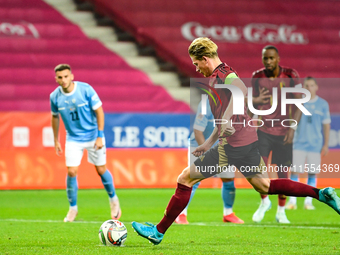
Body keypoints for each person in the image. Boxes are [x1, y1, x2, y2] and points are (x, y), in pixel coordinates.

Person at [131, 37, 340, 245]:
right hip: (243, 142)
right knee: (264, 186)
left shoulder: (224, 75)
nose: (196, 69)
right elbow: (230, 113)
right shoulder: (219, 74)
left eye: (196, 64)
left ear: (205, 59)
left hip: (233, 146)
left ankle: (158, 231)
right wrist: (208, 142)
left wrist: (227, 121)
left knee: (185, 179)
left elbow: (242, 91)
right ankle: (322, 194)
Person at [50, 64, 121, 222]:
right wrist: (56, 139)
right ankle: (73, 208)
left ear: (71, 76)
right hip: (73, 138)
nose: (63, 80)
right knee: (71, 172)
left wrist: (100, 135)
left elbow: (99, 111)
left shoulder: (85, 90)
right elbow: (55, 117)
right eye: (60, 77)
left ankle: (113, 199)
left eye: (66, 76)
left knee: (101, 169)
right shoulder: (54, 97)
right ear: (56, 79)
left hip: (93, 135)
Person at [250, 45, 302, 224]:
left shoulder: (290, 76)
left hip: (284, 132)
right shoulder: (257, 77)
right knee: (258, 170)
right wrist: (255, 102)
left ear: (278, 58)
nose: (268, 61)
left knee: (282, 173)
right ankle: (264, 202)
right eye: (265, 58)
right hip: (263, 131)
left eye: (272, 58)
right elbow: (253, 105)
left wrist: (292, 129)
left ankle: (281, 211)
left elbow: (299, 104)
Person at [175, 99, 243, 224]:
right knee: (192, 180)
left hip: (222, 148)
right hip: (199, 146)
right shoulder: (206, 104)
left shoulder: (233, 104)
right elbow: (198, 131)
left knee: (228, 180)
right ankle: (180, 214)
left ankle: (228, 213)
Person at [286, 77, 331, 210]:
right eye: (307, 85)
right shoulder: (298, 103)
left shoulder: (323, 104)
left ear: (316, 87)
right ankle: (292, 201)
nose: (309, 88)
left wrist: (326, 144)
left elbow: (326, 125)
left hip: (315, 145)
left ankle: (308, 202)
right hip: (298, 143)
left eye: (311, 85)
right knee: (295, 172)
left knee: (312, 173)